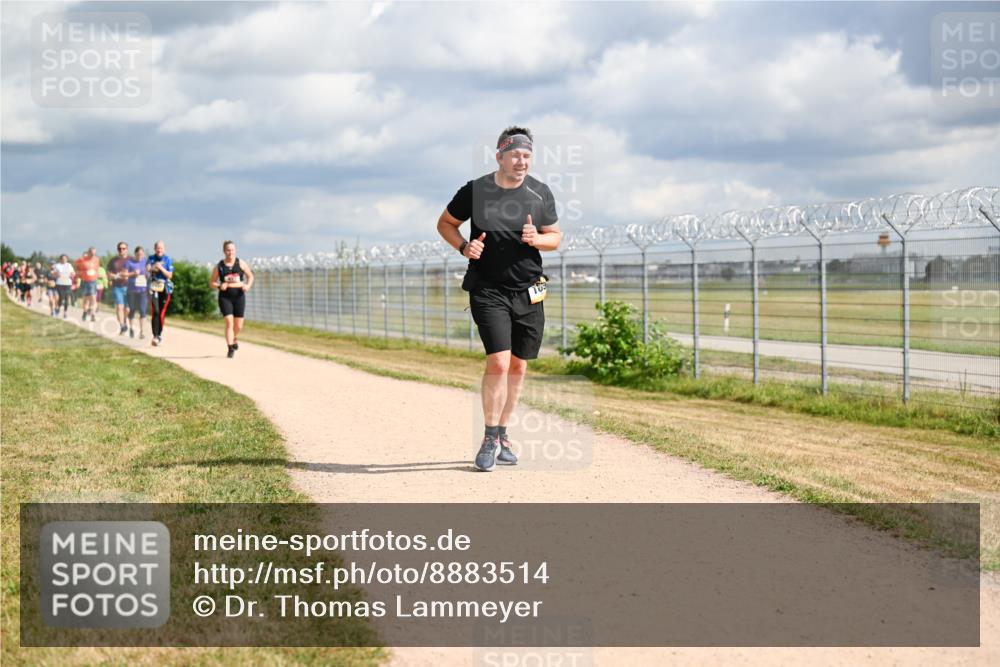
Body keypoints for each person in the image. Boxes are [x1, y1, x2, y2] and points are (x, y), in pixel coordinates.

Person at [436, 126, 562, 471]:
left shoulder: (540, 193)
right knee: (500, 363)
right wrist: (464, 246)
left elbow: (556, 238)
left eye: (527, 156)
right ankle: (490, 435)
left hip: (529, 291)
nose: (522, 161)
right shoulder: (476, 190)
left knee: (519, 368)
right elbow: (446, 223)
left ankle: (504, 431)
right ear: (500, 157)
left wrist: (537, 238)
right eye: (515, 155)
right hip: (488, 289)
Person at [210, 240, 254, 358]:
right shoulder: (220, 266)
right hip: (225, 297)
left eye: (232, 250)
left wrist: (247, 286)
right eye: (228, 250)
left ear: (235, 250)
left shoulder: (241, 263)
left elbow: (250, 276)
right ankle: (230, 348)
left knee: (238, 326)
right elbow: (212, 282)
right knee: (229, 322)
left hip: (239, 296)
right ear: (224, 251)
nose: (231, 252)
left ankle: (233, 338)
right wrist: (219, 285)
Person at [146, 240, 174, 346]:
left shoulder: (168, 259)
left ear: (164, 249)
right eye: (157, 248)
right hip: (153, 287)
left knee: (161, 312)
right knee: (155, 311)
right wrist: (154, 267)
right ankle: (155, 336)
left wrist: (161, 267)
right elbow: (148, 269)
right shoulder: (151, 258)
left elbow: (170, 275)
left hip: (165, 288)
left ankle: (159, 334)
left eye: (161, 248)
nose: (159, 250)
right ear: (155, 249)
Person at [107, 242, 132, 334]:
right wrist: (116, 276)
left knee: (128, 308)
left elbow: (137, 272)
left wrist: (127, 275)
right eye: (119, 248)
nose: (121, 250)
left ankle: (124, 321)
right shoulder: (113, 260)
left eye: (123, 248)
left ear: (127, 249)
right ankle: (122, 325)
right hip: (117, 286)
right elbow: (109, 273)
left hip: (129, 287)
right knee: (119, 306)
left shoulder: (131, 260)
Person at [125, 246, 149, 339]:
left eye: (142, 254)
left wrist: (148, 274)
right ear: (135, 254)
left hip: (142, 290)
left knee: (143, 311)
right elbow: (124, 274)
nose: (140, 256)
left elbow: (149, 272)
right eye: (138, 254)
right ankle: (131, 328)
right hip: (132, 290)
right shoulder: (129, 262)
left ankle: (142, 332)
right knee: (132, 310)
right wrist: (133, 273)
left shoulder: (145, 261)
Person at [74, 247, 101, 321]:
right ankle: (85, 312)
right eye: (92, 253)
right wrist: (78, 272)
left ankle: (93, 314)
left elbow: (97, 268)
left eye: (94, 253)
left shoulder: (97, 259)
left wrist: (97, 275)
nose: (93, 255)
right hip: (84, 281)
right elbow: (75, 265)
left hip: (93, 281)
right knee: (86, 300)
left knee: (93, 298)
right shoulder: (82, 259)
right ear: (88, 252)